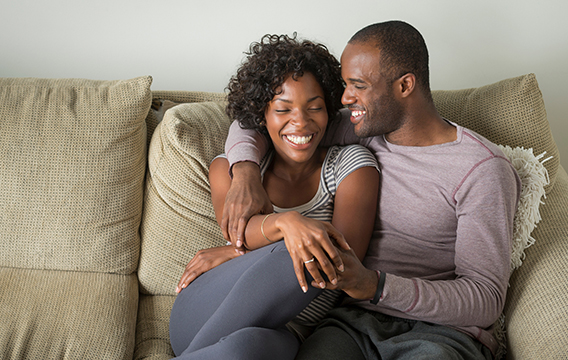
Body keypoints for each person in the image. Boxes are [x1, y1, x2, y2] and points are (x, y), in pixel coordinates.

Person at [222, 21, 521, 359]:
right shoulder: (361, 130)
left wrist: (374, 285)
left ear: (405, 85)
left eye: (358, 86)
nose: (346, 98)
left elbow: (485, 301)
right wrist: (245, 174)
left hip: (442, 334)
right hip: (350, 324)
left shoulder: (481, 170)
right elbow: (254, 122)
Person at [169, 34, 379, 360]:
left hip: (289, 333)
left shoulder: (352, 166)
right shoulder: (231, 170)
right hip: (204, 311)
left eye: (315, 108)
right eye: (283, 109)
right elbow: (239, 234)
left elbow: (342, 263)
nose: (301, 122)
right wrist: (287, 223)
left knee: (243, 350)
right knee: (303, 243)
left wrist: (235, 253)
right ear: (260, 115)